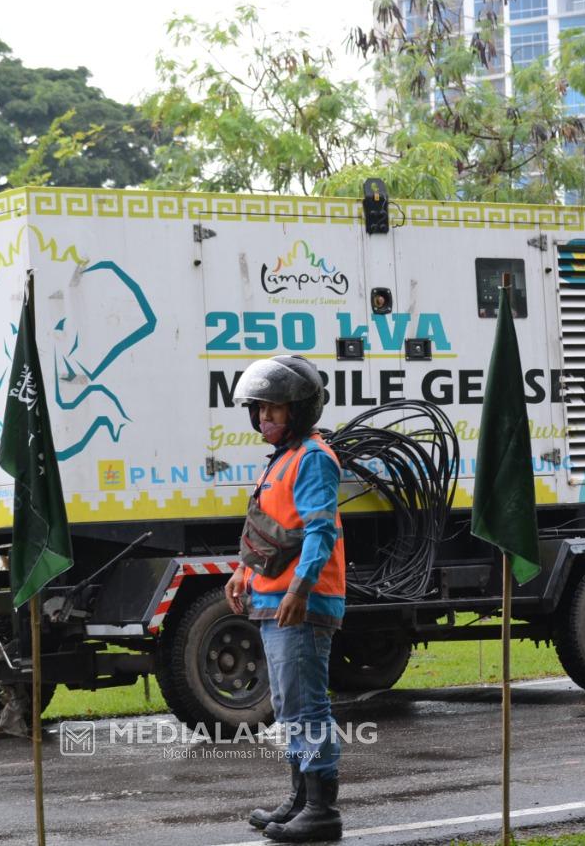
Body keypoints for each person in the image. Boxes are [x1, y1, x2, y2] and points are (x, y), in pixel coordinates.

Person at [224, 354, 345, 843]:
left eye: (273, 410)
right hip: (273, 600)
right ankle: (299, 798)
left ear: (299, 410)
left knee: (307, 706)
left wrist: (300, 588)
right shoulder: (283, 460)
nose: (263, 419)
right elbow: (273, 532)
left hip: (303, 603)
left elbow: (321, 532)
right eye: (259, 410)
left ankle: (322, 810)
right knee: (288, 705)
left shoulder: (313, 457)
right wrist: (242, 571)